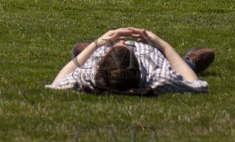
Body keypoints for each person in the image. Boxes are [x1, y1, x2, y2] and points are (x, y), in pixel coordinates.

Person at [47, 27, 213, 95]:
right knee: (182, 67)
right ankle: (191, 61)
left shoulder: (88, 76)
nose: (123, 42)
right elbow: (196, 84)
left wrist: (97, 44)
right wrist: (161, 44)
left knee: (84, 55)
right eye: (125, 46)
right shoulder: (160, 78)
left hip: (97, 56)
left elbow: (56, 83)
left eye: (117, 45)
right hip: (153, 56)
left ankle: (87, 51)